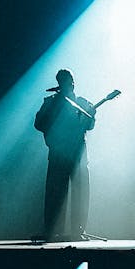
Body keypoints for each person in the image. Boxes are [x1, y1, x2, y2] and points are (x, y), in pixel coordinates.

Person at [34, 69, 96, 241]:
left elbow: (90, 125)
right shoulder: (51, 102)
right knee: (55, 192)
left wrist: (92, 115)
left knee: (80, 192)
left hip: (77, 155)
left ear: (73, 82)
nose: (67, 84)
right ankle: (52, 230)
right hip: (58, 152)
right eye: (62, 81)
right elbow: (38, 123)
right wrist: (53, 113)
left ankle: (78, 230)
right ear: (59, 83)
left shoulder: (82, 103)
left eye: (68, 81)